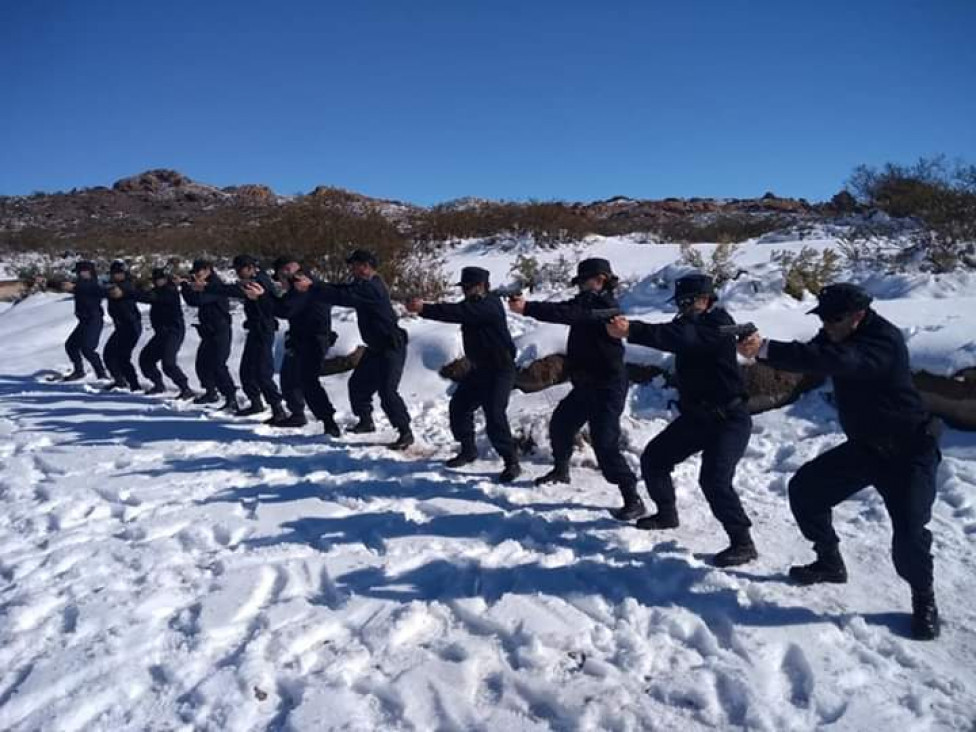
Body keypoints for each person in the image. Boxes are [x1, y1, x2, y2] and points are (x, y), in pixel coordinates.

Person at [738, 283, 942, 640]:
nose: (827, 326)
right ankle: (829, 562)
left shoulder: (883, 341)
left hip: (909, 451)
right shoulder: (837, 332)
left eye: (834, 319)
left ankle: (923, 598)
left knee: (909, 535)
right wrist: (762, 350)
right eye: (824, 318)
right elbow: (814, 352)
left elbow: (838, 361)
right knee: (806, 491)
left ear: (858, 316)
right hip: (866, 448)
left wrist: (767, 348)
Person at [606, 274, 757, 567]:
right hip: (698, 417)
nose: (686, 307)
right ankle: (667, 513)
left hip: (730, 418)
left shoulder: (717, 324)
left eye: (691, 302)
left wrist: (631, 330)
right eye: (682, 303)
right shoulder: (689, 323)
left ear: (707, 300)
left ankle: (742, 542)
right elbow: (675, 332)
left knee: (714, 480)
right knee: (654, 459)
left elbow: (682, 337)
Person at [509, 258, 639, 515]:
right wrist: (528, 306)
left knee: (605, 444)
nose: (580, 287)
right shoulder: (586, 301)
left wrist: (527, 308)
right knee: (560, 425)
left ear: (601, 280)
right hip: (586, 385)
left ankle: (632, 498)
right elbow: (564, 309)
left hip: (608, 387)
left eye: (585, 281)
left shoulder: (606, 306)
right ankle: (561, 470)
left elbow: (569, 314)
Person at [406, 266, 521, 482]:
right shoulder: (473, 304)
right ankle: (468, 450)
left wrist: (424, 308)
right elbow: (456, 310)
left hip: (500, 370)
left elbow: (457, 313)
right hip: (479, 369)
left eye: (470, 287)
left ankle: (511, 461)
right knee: (459, 408)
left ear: (484, 286)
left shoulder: (490, 305)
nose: (466, 291)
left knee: (495, 415)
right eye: (464, 287)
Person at [293, 249, 413, 450]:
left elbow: (342, 296)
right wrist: (314, 285)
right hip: (376, 348)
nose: (351, 268)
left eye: (354, 265)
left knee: (388, 392)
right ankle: (366, 422)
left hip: (391, 348)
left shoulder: (372, 288)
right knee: (358, 385)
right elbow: (339, 289)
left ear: (365, 266)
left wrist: (313, 287)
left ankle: (405, 432)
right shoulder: (362, 285)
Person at [258, 256, 340, 435]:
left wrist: (263, 297)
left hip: (313, 340)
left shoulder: (302, 285)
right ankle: (297, 413)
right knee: (289, 377)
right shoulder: (301, 284)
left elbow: (285, 310)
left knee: (308, 381)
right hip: (301, 338)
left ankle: (328, 421)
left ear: (287, 270)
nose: (280, 283)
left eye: (280, 277)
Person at [198, 255, 285, 419]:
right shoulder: (254, 279)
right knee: (246, 371)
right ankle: (256, 402)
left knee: (262, 372)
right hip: (255, 330)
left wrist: (207, 287)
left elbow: (234, 291)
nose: (238, 273)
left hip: (263, 330)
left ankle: (277, 408)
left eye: (241, 269)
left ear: (251, 267)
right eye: (236, 270)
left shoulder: (259, 280)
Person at [180, 259, 239, 409]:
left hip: (220, 330)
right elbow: (193, 299)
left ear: (208, 270)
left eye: (198, 272)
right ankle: (211, 392)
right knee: (202, 364)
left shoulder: (215, 286)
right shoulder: (204, 286)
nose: (196, 275)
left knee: (218, 365)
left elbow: (197, 300)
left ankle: (231, 397)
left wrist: (187, 287)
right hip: (208, 330)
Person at [135, 267, 195, 399]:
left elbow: (153, 298)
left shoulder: (170, 291)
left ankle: (185, 388)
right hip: (161, 333)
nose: (158, 282)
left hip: (174, 331)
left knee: (168, 363)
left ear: (165, 279)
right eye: (155, 280)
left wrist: (134, 292)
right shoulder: (157, 291)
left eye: (160, 279)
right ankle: (158, 384)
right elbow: (148, 295)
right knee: (146, 359)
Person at [58, 260, 108, 381]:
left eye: (83, 272)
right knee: (71, 346)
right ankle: (79, 371)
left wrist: (75, 286)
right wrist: (47, 282)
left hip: (94, 321)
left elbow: (92, 289)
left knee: (88, 349)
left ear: (90, 272)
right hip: (84, 321)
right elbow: (66, 285)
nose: (81, 274)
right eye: (79, 272)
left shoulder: (93, 285)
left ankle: (101, 374)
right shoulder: (80, 284)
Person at [102, 260, 143, 391]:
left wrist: (119, 292)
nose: (116, 275)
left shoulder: (127, 285)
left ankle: (134, 385)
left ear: (125, 273)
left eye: (119, 273)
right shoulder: (112, 286)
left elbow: (126, 290)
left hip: (131, 326)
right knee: (109, 354)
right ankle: (120, 381)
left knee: (123, 357)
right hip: (120, 327)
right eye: (114, 273)